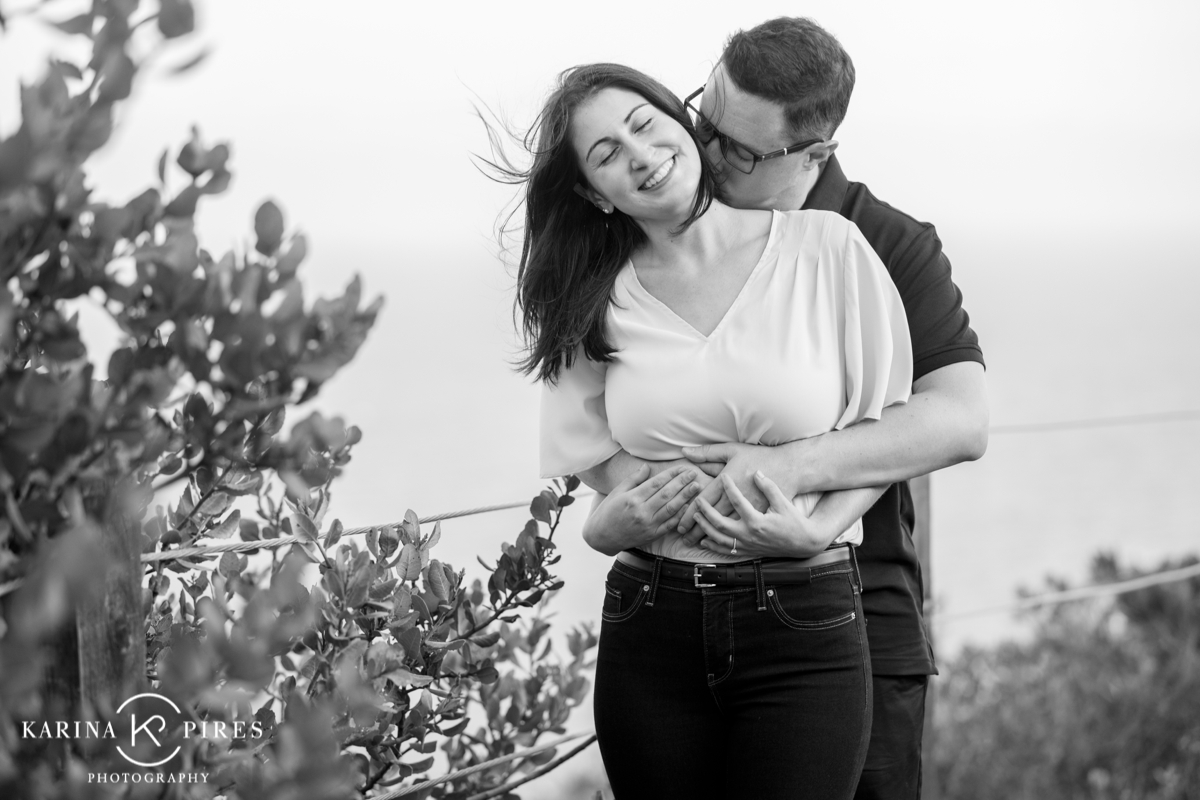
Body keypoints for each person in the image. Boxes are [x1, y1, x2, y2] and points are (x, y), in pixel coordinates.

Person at [584, 18, 989, 800]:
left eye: (739, 149)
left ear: (815, 153)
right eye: (706, 121)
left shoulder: (883, 241)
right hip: (675, 616)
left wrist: (788, 471)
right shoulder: (648, 246)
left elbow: (959, 418)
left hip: (858, 611)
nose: (705, 151)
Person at [504, 62, 913, 799]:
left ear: (680, 121)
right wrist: (618, 514)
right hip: (650, 622)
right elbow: (588, 448)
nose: (639, 154)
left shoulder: (827, 247)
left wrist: (819, 528)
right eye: (605, 155)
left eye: (643, 124)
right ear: (596, 194)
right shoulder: (594, 296)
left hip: (804, 619)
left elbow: (886, 425)